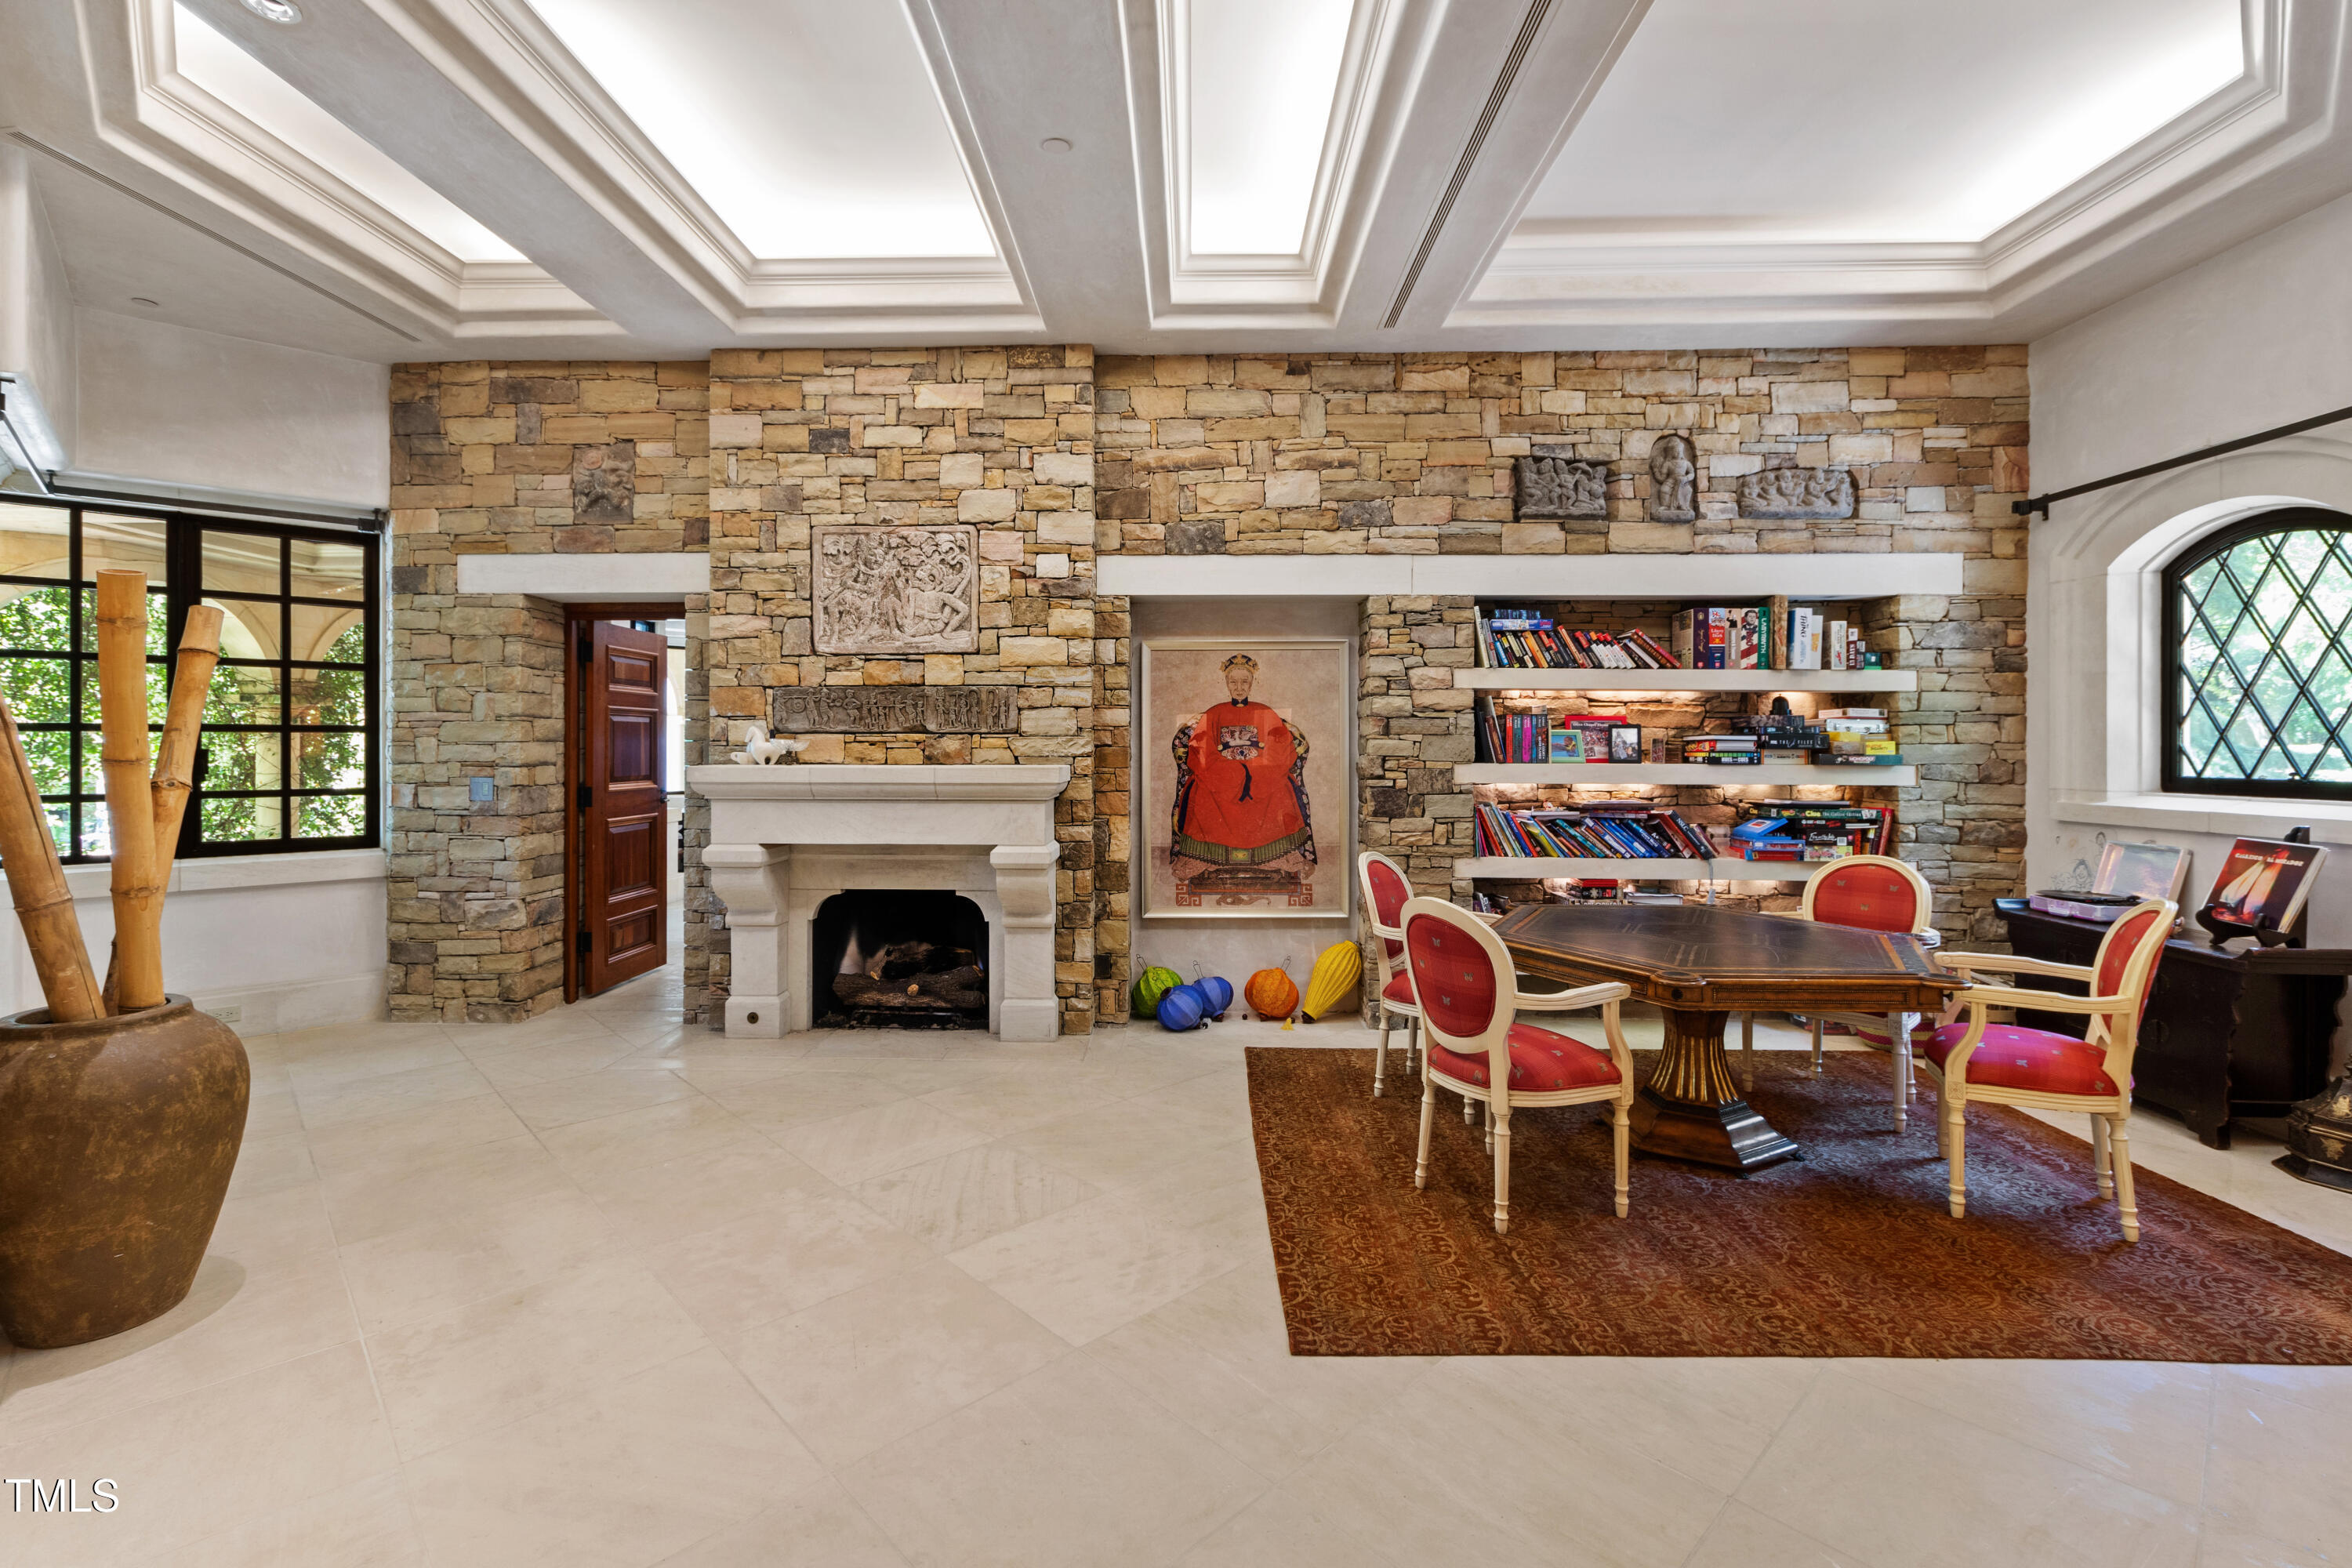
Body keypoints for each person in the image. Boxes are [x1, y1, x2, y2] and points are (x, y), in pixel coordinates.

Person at [1169, 654, 1314, 883]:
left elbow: (1281, 747)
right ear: (1226, 683)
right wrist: (1235, 774)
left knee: (1280, 791)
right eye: (1233, 682)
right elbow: (1200, 750)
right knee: (1202, 792)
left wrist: (1254, 773)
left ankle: (1279, 858)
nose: (1238, 687)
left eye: (1244, 682)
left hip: (1261, 775)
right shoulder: (1214, 713)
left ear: (1252, 683)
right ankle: (1204, 858)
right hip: (1220, 775)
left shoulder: (1265, 712)